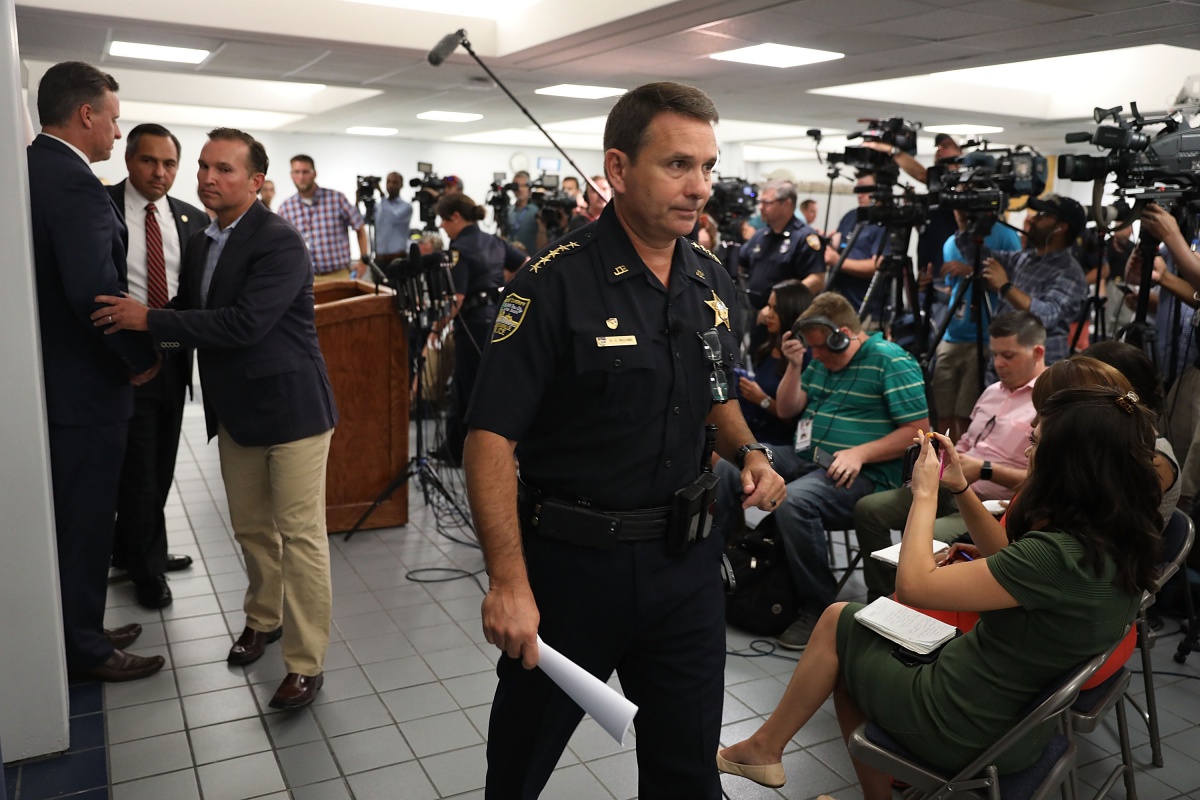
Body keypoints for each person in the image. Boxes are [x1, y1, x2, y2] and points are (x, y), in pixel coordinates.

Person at [463, 81, 786, 799]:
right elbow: (489, 441)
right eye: (678, 165)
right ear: (617, 168)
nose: (699, 187)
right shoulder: (552, 286)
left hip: (685, 567)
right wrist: (508, 583)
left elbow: (713, 391)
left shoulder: (710, 280)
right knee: (518, 768)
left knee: (686, 774)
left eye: (708, 166)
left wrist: (750, 453)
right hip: (573, 570)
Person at [718, 386, 1160, 798]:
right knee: (851, 635)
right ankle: (767, 749)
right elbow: (1012, 555)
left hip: (962, 724)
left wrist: (925, 494)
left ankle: (767, 750)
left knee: (839, 624)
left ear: (1070, 462)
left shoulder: (1055, 555)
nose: (1028, 452)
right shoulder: (1116, 540)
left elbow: (913, 585)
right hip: (1018, 729)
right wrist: (960, 488)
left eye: (1036, 441)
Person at [94, 128, 338, 710]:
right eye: (203, 167)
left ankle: (306, 663)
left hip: (293, 411)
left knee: (300, 537)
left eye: (223, 170)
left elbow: (243, 324)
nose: (207, 178)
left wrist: (147, 319)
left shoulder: (279, 242)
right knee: (251, 528)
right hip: (235, 411)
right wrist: (149, 337)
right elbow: (192, 311)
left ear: (255, 182)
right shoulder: (203, 241)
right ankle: (264, 618)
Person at [28, 60, 164, 682]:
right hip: (85, 391)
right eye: (113, 120)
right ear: (86, 115)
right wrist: (139, 359)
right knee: (84, 521)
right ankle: (84, 647)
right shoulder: (77, 184)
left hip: (55, 388)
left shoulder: (33, 170)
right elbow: (96, 294)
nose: (116, 133)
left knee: (75, 520)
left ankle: (78, 623)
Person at [769, 292, 930, 649]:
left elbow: (919, 430)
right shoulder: (819, 360)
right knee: (748, 461)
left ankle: (818, 608)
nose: (819, 356)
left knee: (795, 501)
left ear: (844, 334)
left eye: (824, 348)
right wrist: (795, 366)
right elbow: (786, 409)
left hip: (866, 474)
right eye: (811, 350)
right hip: (811, 457)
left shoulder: (890, 360)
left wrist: (860, 453)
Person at [853, 311, 1046, 600]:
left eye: (1008, 355)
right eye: (994, 355)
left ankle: (913, 602)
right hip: (954, 484)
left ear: (1038, 352)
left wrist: (984, 469)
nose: (998, 364)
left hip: (991, 504)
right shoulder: (993, 390)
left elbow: (1040, 479)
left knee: (924, 535)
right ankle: (884, 595)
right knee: (869, 509)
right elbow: (968, 441)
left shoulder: (1044, 405)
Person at [108, 122, 208, 610]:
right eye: (149, 161)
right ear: (129, 160)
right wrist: (130, 357)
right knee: (139, 472)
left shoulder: (189, 219)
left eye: (169, 164)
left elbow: (188, 299)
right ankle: (145, 569)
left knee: (161, 465)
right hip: (124, 363)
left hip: (172, 363)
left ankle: (142, 549)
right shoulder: (101, 206)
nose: (160, 172)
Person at [435, 193, 527, 465]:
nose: (441, 225)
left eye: (443, 218)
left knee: (466, 388)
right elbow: (527, 263)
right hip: (498, 320)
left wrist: (436, 327)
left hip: (472, 323)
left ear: (456, 217)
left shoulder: (459, 248)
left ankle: (461, 451)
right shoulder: (494, 241)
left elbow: (457, 298)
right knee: (490, 384)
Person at [957, 193, 1089, 370]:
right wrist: (964, 224)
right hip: (1005, 361)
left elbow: (1047, 316)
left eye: (1042, 215)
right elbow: (980, 258)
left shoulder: (1070, 273)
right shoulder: (1026, 258)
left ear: (1061, 228)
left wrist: (1005, 287)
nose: (1033, 219)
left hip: (1038, 370)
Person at [1131, 203, 1200, 511]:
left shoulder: (1179, 235)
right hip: (1183, 369)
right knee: (1179, 459)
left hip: (1191, 366)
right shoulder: (1187, 227)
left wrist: (1172, 236)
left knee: (1191, 479)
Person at [933, 210, 1024, 440]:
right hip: (952, 335)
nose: (959, 210)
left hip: (984, 336)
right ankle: (941, 466)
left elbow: (1012, 286)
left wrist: (972, 271)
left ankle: (961, 465)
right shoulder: (950, 242)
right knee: (941, 409)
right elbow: (952, 288)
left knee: (967, 413)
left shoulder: (1005, 236)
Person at [738, 180, 825, 324]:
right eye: (760, 202)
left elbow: (817, 280)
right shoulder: (761, 236)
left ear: (786, 204)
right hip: (755, 315)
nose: (761, 207)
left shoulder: (805, 237)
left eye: (767, 203)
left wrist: (777, 305)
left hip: (786, 318)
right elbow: (740, 263)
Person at [277, 154, 370, 280]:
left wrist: (363, 261)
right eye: (297, 172)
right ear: (291, 174)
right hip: (303, 279)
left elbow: (359, 227)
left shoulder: (336, 199)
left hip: (338, 275)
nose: (301, 177)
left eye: (305, 172)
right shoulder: (286, 208)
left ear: (314, 173)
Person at [825, 172, 887, 313]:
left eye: (865, 190)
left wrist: (838, 262)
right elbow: (839, 241)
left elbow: (877, 266)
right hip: (838, 305)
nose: (860, 195)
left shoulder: (884, 223)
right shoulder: (851, 216)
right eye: (858, 189)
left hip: (865, 309)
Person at [375, 171, 413, 259]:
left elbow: (391, 218)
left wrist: (381, 194)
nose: (391, 185)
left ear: (401, 185)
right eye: (388, 182)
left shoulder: (406, 207)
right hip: (379, 257)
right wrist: (358, 201)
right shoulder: (378, 206)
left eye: (395, 182)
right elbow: (362, 220)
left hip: (397, 258)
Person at [506, 170, 540, 254]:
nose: (520, 189)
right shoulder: (508, 211)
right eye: (516, 186)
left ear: (529, 188)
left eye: (523, 186)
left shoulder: (537, 211)